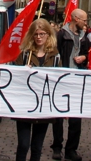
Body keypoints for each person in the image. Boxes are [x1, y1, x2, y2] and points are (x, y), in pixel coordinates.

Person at [14, 19, 60, 161]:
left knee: (37, 146)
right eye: (36, 34)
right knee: (23, 144)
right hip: (25, 105)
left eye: (42, 34)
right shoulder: (25, 54)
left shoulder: (55, 56)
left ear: (48, 35)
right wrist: (22, 71)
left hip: (43, 106)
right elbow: (14, 77)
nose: (39, 37)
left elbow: (59, 80)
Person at [51, 9, 90, 161]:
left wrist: (84, 57)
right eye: (84, 20)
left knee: (76, 117)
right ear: (75, 19)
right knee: (59, 116)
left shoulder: (84, 37)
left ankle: (71, 149)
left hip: (77, 79)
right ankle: (56, 146)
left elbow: (87, 53)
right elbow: (55, 53)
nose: (86, 23)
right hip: (62, 79)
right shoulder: (61, 35)